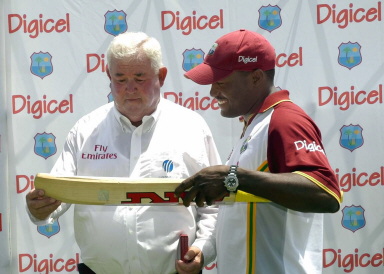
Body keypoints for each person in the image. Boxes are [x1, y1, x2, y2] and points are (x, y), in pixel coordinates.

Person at [26, 31, 221, 274]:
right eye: (120, 79)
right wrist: (40, 208)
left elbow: (215, 205)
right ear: (108, 76)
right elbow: (57, 195)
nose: (129, 88)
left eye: (140, 78)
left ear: (161, 76)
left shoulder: (191, 127)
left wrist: (203, 249)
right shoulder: (85, 130)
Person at [175, 29, 342, 274]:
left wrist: (233, 177)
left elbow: (326, 193)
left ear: (255, 77)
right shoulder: (256, 123)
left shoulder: (284, 119)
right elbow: (240, 214)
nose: (212, 93)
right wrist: (206, 250)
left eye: (221, 82)